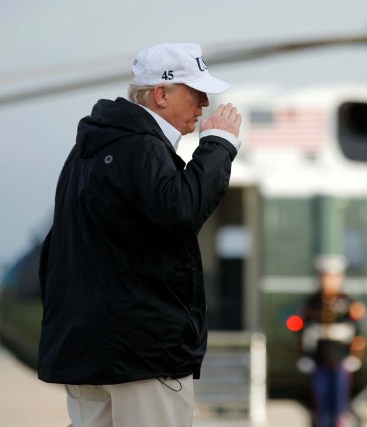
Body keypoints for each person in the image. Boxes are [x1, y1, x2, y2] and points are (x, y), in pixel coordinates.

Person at [37, 43, 242, 427]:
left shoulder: (83, 153)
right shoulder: (142, 146)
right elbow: (179, 211)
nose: (204, 104)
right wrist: (219, 146)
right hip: (143, 353)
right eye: (195, 92)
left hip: (85, 350)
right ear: (161, 94)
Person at [295, 254, 367, 427]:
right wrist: (303, 355)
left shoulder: (348, 302)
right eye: (325, 276)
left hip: (340, 357)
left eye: (333, 277)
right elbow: (301, 330)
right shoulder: (312, 302)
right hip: (319, 357)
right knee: (320, 400)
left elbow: (357, 331)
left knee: (339, 401)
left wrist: (355, 356)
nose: (329, 281)